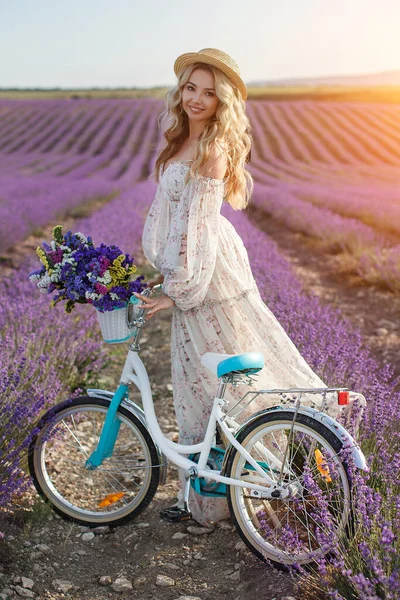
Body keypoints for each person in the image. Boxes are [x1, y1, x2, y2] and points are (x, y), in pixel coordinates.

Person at [134, 48, 366, 528]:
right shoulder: (180, 138)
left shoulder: (211, 149)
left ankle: (269, 479)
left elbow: (197, 228)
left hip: (210, 275)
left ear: (224, 103)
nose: (196, 98)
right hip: (196, 268)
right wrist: (168, 274)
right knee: (200, 385)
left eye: (209, 93)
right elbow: (177, 223)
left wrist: (174, 292)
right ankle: (206, 496)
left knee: (227, 383)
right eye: (190, 88)